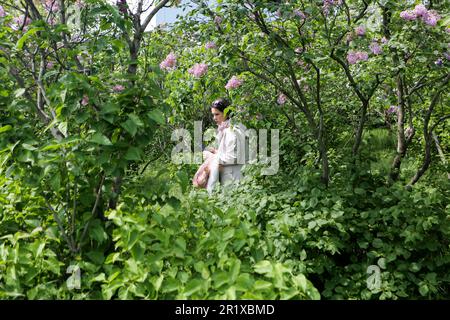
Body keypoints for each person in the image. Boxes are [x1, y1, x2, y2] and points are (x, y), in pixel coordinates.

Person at [192, 98, 247, 193]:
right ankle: (211, 195)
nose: (214, 118)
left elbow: (234, 157)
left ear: (226, 113)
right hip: (229, 173)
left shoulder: (232, 130)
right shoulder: (225, 128)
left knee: (214, 163)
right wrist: (215, 153)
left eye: (217, 114)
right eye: (213, 115)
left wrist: (214, 157)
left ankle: (211, 196)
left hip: (234, 176)